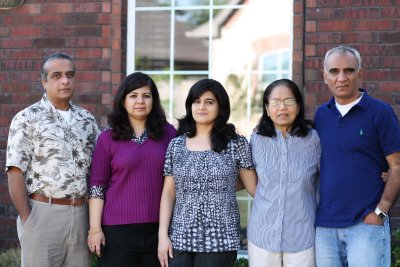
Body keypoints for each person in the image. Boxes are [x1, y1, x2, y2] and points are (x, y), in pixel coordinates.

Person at [5, 52, 100, 267]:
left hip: (81, 215)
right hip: (42, 214)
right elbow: (14, 171)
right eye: (57, 75)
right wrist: (28, 219)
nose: (65, 80)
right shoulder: (27, 118)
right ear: (44, 82)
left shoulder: (87, 120)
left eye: (70, 75)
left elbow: (97, 170)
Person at [314, 45, 400, 266]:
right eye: (334, 71)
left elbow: (397, 167)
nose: (341, 77)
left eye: (349, 70)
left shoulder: (380, 113)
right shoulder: (322, 115)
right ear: (325, 76)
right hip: (325, 227)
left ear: (360, 74)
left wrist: (380, 213)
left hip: (366, 224)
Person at [157, 78, 257, 267]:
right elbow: (169, 192)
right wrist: (163, 236)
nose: (201, 106)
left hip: (220, 240)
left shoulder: (236, 143)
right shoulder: (176, 145)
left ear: (221, 107)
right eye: (197, 101)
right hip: (179, 237)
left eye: (209, 102)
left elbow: (253, 188)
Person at [87, 72, 176, 267]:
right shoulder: (108, 138)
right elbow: (97, 187)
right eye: (133, 95)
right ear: (123, 100)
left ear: (154, 100)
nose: (140, 101)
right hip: (117, 231)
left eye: (146, 95)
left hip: (159, 230)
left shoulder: (169, 134)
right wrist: (95, 229)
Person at [247, 79, 320, 267]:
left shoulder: (314, 139)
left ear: (298, 106)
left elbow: (329, 176)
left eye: (288, 101)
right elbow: (247, 178)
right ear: (267, 108)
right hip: (262, 235)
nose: (282, 107)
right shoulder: (256, 139)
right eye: (275, 102)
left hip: (303, 235)